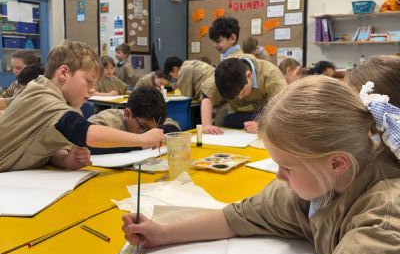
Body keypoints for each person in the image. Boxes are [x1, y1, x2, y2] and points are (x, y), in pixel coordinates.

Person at [122, 75, 400, 254]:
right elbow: (243, 215)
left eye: (287, 167)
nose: (279, 176)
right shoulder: (323, 182)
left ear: (337, 163)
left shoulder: (386, 218)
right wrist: (162, 233)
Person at [0, 41, 164, 172]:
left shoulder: (62, 104)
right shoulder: (43, 96)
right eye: (89, 82)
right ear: (64, 73)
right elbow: (87, 132)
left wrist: (65, 160)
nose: (92, 90)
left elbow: (45, 146)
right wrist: (143, 139)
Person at [200, 55, 287, 134]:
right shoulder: (223, 74)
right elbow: (207, 96)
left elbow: (283, 107)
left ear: (248, 75)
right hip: (238, 115)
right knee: (228, 120)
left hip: (266, 115)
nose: (240, 98)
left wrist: (264, 126)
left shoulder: (271, 74)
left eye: (243, 92)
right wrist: (206, 125)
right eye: (235, 97)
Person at [88, 86, 180, 154]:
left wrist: (159, 131)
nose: (150, 135)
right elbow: (86, 142)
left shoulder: (152, 118)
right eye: (144, 127)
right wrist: (139, 143)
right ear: (127, 114)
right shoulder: (107, 120)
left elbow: (173, 126)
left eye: (155, 128)